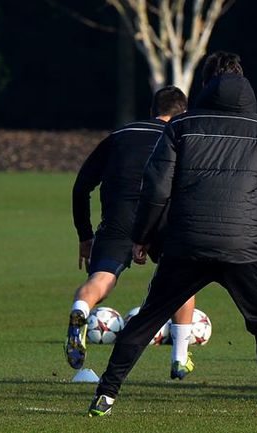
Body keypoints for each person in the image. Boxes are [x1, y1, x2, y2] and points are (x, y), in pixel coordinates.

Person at [87, 52, 257, 419]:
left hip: (186, 242)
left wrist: (142, 236)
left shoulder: (181, 126)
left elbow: (156, 188)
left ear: (205, 86)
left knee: (147, 319)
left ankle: (105, 395)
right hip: (243, 246)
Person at [66, 86, 198, 380]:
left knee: (101, 279)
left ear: (152, 110)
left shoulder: (119, 135)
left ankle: (81, 309)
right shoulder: (180, 135)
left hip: (119, 218)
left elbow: (81, 187)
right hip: (163, 216)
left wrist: (85, 236)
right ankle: (179, 357)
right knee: (183, 281)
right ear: (183, 112)